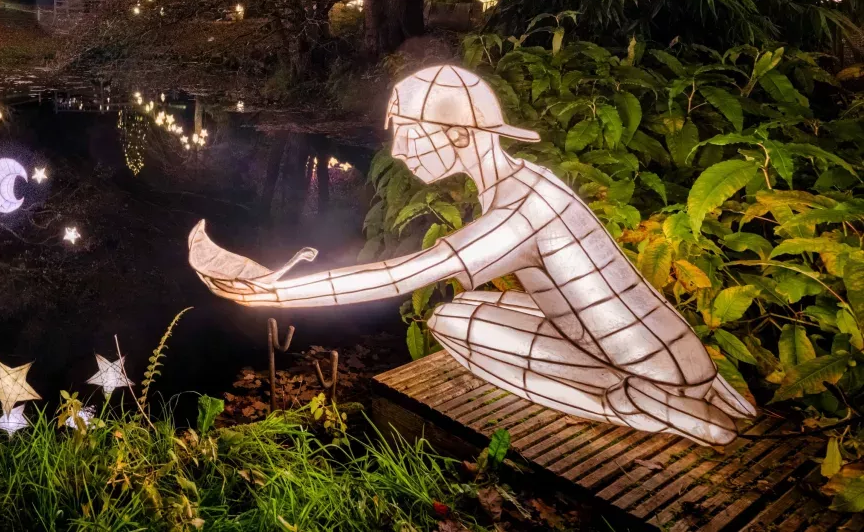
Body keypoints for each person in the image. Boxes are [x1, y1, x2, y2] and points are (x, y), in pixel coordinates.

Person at [188, 65, 755, 445]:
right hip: (671, 354)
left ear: (458, 135)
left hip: (653, 373)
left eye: (410, 135)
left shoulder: (519, 211)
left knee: (452, 323)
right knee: (459, 314)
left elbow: (403, 274)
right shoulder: (527, 183)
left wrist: (279, 293)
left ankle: (646, 409)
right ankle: (674, 393)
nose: (400, 151)